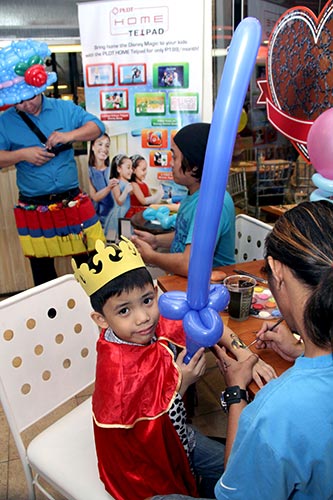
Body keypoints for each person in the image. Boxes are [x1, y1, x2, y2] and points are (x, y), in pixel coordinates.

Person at [149, 199, 333, 500]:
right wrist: (301, 351)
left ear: (276, 270)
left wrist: (236, 393)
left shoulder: (277, 412)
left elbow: (235, 490)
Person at [71, 237, 225, 500]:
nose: (142, 317)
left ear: (155, 293)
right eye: (123, 311)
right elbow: (140, 415)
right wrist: (182, 383)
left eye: (146, 301)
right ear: (101, 320)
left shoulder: (149, 322)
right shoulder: (115, 369)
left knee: (233, 465)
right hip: (138, 467)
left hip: (174, 437)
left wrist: (237, 347)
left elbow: (192, 320)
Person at [0, 39, 106, 285]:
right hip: (33, 205)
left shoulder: (64, 109)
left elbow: (96, 127)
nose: (25, 105)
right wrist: (21, 155)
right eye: (19, 101)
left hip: (71, 200)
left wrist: (69, 136)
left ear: (41, 88)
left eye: (30, 98)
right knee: (43, 273)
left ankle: (95, 313)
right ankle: (52, 319)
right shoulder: (6, 121)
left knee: (91, 265)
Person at [131, 123, 235, 277]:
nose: (170, 163)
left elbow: (190, 265)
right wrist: (156, 241)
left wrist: (152, 256)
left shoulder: (211, 204)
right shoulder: (195, 193)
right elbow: (186, 235)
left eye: (174, 156)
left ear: (193, 166)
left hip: (210, 286)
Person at [88, 133, 118, 228]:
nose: (104, 149)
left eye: (107, 145)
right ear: (92, 147)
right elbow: (95, 197)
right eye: (100, 144)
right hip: (97, 219)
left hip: (114, 218)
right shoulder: (88, 171)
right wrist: (109, 187)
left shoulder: (114, 169)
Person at [103, 153, 133, 242]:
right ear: (119, 168)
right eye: (128, 167)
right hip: (119, 214)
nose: (131, 170)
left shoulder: (127, 183)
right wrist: (126, 191)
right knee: (116, 237)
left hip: (128, 213)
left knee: (127, 238)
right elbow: (119, 201)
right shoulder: (116, 183)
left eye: (131, 168)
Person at [125, 154, 164, 218]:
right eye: (143, 170)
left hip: (144, 213)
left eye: (146, 169)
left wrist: (159, 197)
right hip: (135, 215)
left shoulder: (144, 185)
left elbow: (150, 200)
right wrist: (158, 195)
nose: (146, 172)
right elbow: (143, 201)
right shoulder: (133, 184)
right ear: (134, 170)